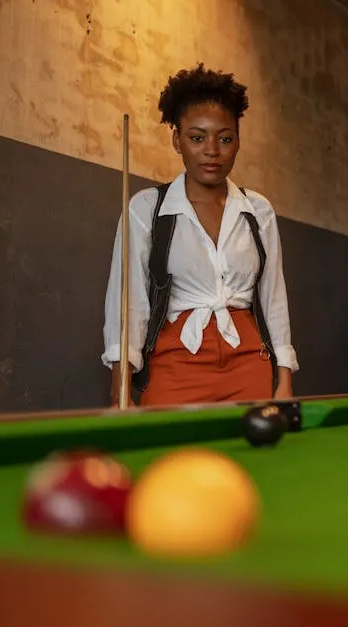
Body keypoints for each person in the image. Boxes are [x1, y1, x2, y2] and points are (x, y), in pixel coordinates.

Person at [102, 63, 298, 407]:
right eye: (197, 137)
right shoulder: (147, 209)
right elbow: (127, 306)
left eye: (224, 138)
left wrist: (283, 383)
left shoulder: (258, 211)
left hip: (249, 364)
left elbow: (273, 299)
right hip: (175, 363)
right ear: (177, 140)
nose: (212, 150)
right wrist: (120, 391)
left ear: (237, 142)